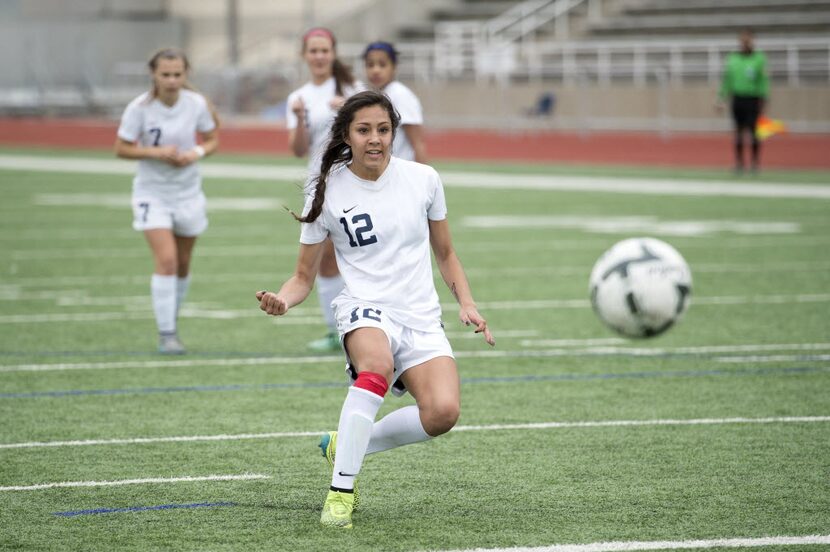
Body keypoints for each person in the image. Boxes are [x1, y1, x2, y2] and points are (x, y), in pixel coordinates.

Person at [256, 91, 495, 529]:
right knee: (377, 367)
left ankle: (346, 443)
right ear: (346, 134)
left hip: (420, 315)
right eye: (364, 130)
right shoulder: (325, 186)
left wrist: (467, 302)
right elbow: (303, 278)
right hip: (364, 308)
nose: (375, 139)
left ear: (393, 133)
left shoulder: (424, 178)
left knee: (443, 413)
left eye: (383, 130)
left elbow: (445, 253)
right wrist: (283, 300)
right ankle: (340, 493)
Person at [115, 48, 219, 354]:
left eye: (177, 74)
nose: (172, 80)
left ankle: (170, 322)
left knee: (183, 264)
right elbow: (121, 148)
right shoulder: (139, 108)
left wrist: (194, 153)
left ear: (185, 75)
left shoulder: (196, 103)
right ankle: (167, 334)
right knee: (167, 261)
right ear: (153, 75)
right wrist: (156, 152)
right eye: (165, 74)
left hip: (187, 192)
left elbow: (212, 139)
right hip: (152, 193)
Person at [286, 27, 363, 352]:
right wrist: (301, 118)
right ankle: (335, 331)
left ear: (333, 53)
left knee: (364, 253)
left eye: (324, 50)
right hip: (320, 185)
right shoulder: (299, 97)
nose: (319, 56)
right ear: (305, 56)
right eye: (313, 51)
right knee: (325, 260)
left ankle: (368, 321)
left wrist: (349, 107)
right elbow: (298, 150)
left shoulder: (354, 89)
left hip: (357, 181)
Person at [363, 41, 427, 163]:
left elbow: (418, 143)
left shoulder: (400, 95)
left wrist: (422, 178)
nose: (375, 70)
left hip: (402, 171)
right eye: (370, 65)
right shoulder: (371, 95)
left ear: (394, 67)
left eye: (382, 65)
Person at [717, 28, 769, 174]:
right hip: (738, 98)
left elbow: (763, 81)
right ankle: (739, 163)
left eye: (748, 40)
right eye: (743, 40)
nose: (745, 43)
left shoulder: (759, 58)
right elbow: (727, 81)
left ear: (753, 41)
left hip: (753, 99)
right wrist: (721, 98)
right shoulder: (733, 58)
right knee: (738, 132)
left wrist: (764, 98)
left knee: (754, 132)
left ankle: (755, 163)